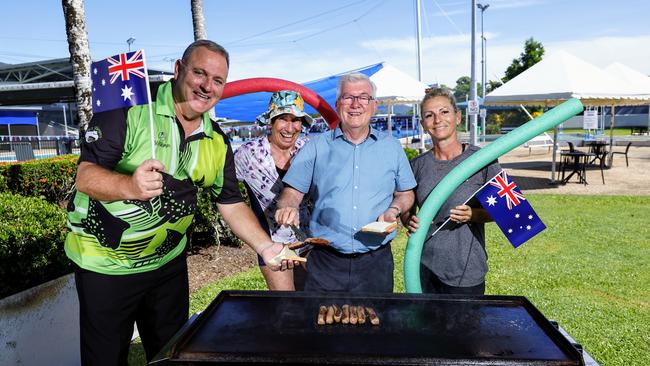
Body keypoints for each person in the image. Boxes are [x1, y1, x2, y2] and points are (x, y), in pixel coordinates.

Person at [64, 40, 293, 365]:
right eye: (199, 73)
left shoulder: (216, 140)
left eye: (217, 80)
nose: (207, 85)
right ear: (178, 70)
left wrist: (265, 246)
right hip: (105, 266)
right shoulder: (129, 111)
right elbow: (85, 176)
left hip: (167, 265)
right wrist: (129, 185)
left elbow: (229, 202)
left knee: (172, 353)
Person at [275, 73, 416, 293]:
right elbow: (292, 191)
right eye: (348, 97)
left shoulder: (392, 147)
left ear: (374, 105)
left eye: (363, 97)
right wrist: (288, 206)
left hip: (375, 262)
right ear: (338, 104)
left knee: (374, 322)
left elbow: (406, 193)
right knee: (322, 323)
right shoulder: (316, 146)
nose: (355, 104)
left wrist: (394, 210)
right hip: (325, 262)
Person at [403, 87, 502, 295]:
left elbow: (507, 210)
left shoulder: (483, 160)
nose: (438, 119)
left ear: (457, 117)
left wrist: (473, 215)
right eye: (429, 115)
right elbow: (407, 212)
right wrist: (408, 220)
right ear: (423, 125)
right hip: (424, 268)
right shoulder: (416, 166)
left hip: (466, 272)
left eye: (444, 112)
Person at [234, 90, 313, 291]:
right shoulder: (247, 154)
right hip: (272, 245)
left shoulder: (310, 149)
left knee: (313, 304)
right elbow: (224, 192)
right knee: (287, 308)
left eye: (296, 120)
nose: (290, 127)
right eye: (283, 119)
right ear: (271, 122)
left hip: (310, 242)